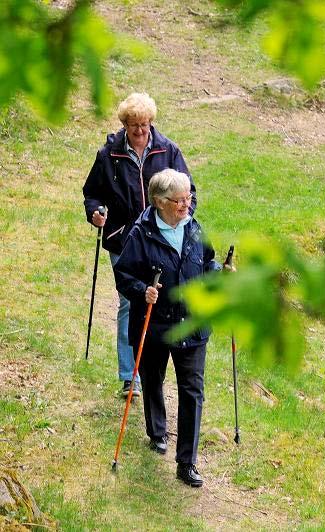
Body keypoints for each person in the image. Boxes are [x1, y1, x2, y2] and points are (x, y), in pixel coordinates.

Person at [83, 93, 196, 398]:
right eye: (134, 125)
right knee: (129, 301)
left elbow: (189, 192)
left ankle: (153, 370)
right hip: (123, 237)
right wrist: (94, 212)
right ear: (124, 125)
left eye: (144, 125)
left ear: (151, 123)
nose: (140, 131)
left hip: (161, 239)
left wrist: (183, 218)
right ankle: (129, 376)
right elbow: (91, 193)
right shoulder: (109, 154)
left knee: (159, 301)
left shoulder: (168, 150)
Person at [114, 169, 221, 488]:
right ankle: (157, 431)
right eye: (179, 200)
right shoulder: (141, 234)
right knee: (153, 378)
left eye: (189, 198)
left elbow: (209, 261)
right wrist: (142, 290)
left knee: (192, 391)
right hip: (155, 324)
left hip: (192, 324)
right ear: (160, 202)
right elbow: (124, 275)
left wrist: (220, 273)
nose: (186, 205)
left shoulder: (195, 227)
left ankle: (186, 462)